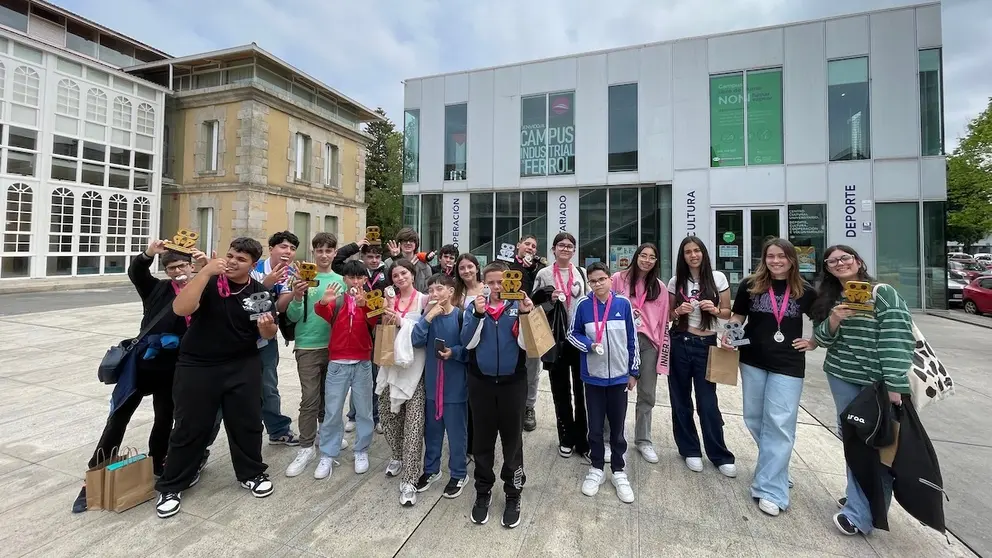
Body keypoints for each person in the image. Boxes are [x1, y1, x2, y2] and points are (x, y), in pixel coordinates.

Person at [72, 241, 203, 513]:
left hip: (175, 367)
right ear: (165, 271)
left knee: (165, 417)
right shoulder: (157, 289)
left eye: (182, 266)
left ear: (191, 267)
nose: (178, 271)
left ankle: (158, 462)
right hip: (142, 363)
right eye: (171, 267)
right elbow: (137, 273)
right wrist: (148, 254)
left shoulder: (200, 291)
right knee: (119, 416)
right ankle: (94, 475)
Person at [155, 238, 277, 519]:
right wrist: (206, 272)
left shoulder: (258, 292)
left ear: (252, 265)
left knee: (246, 422)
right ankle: (172, 484)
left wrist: (268, 327)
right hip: (198, 365)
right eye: (230, 255)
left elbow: (267, 334)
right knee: (190, 425)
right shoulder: (208, 282)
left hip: (242, 364)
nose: (233, 262)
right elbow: (181, 309)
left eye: (241, 259)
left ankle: (251, 473)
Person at [810, 245, 915, 536]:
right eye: (833, 261)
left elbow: (897, 336)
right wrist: (833, 320)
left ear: (857, 261)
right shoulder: (831, 297)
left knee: (876, 443)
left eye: (845, 258)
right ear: (828, 269)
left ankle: (861, 514)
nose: (840, 263)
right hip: (841, 375)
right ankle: (860, 498)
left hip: (876, 382)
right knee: (852, 438)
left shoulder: (882, 293)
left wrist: (895, 382)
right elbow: (821, 338)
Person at [725, 238, 817, 517]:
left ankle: (770, 490)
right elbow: (738, 316)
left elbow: (823, 322)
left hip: (788, 365)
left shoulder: (806, 291)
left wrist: (812, 342)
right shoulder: (750, 286)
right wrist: (729, 333)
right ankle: (776, 468)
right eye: (771, 256)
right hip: (752, 360)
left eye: (782, 256)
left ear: (792, 259)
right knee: (754, 418)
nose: (776, 261)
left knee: (779, 424)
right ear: (764, 259)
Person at [461, 261, 533, 529]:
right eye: (490, 282)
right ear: (483, 284)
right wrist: (478, 315)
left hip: (513, 383)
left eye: (501, 281)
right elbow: (467, 343)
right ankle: (483, 489)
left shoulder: (519, 307)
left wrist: (526, 314)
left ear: (511, 280)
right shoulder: (475, 308)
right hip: (481, 383)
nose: (496, 287)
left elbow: (529, 346)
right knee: (483, 439)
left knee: (513, 441)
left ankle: (513, 493)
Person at [568, 262, 639, 503]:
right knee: (595, 427)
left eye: (601, 279)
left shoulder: (623, 304)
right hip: (594, 377)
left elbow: (632, 339)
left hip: (619, 376)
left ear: (610, 279)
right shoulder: (583, 305)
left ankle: (618, 470)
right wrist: (589, 345)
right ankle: (596, 467)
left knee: (618, 428)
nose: (597, 284)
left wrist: (634, 371)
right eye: (593, 280)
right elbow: (572, 334)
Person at [667, 236, 736, 477]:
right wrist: (678, 311)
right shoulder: (676, 281)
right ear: (682, 256)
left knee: (708, 402)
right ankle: (690, 450)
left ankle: (719, 454)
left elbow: (728, 313)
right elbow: (668, 315)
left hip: (707, 344)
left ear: (703, 253)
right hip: (680, 342)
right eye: (688, 252)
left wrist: (715, 310)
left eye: (697, 251)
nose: (693, 255)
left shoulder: (718, 278)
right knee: (680, 399)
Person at [281, 232, 348, 477]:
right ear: (313, 252)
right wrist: (297, 296)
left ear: (334, 253)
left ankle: (328, 435)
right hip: (307, 346)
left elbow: (344, 317)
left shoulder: (341, 280)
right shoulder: (301, 279)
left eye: (328, 250)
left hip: (334, 347)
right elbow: (292, 316)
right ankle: (306, 446)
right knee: (309, 398)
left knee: (330, 397)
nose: (323, 255)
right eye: (319, 250)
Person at [310, 260, 379, 479]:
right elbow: (321, 310)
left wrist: (364, 304)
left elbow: (378, 319)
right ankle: (328, 454)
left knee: (364, 411)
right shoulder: (337, 300)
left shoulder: (371, 299)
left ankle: (361, 450)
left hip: (362, 363)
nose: (355, 281)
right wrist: (322, 301)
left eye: (359, 277)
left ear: (365, 280)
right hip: (338, 363)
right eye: (351, 277)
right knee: (332, 411)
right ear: (344, 279)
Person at [611, 243, 670, 465]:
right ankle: (611, 437)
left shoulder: (660, 288)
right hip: (620, 341)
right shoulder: (619, 278)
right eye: (643, 255)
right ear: (636, 257)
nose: (646, 260)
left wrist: (662, 353)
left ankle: (643, 439)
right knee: (615, 389)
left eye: (652, 257)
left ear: (656, 262)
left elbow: (664, 321)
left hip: (648, 343)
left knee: (647, 393)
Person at [411, 273, 470, 498]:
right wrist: (427, 317)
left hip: (455, 387)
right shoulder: (429, 316)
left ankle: (458, 473)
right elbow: (416, 341)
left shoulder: (461, 316)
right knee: (433, 433)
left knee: (456, 434)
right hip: (432, 385)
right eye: (431, 290)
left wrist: (453, 352)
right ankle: (431, 469)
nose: (434, 294)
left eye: (439, 289)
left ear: (451, 292)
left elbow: (469, 350)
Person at [532, 232, 590, 458]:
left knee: (581, 391)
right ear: (554, 249)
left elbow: (587, 302)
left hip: (578, 338)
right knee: (560, 391)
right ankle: (565, 437)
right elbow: (534, 304)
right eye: (561, 246)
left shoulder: (582, 274)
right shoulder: (544, 274)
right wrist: (550, 299)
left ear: (574, 250)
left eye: (569, 246)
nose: (565, 249)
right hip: (555, 339)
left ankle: (583, 440)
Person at [377, 259, 430, 506]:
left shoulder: (424, 300)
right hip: (390, 368)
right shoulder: (388, 302)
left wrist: (401, 321)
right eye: (395, 275)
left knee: (414, 425)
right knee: (387, 416)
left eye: (404, 273)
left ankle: (410, 479)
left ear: (412, 273)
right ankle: (397, 455)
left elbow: (425, 330)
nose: (400, 278)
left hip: (415, 370)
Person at [249, 230, 300, 446]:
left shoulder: (289, 273)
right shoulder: (254, 269)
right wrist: (266, 284)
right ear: (271, 249)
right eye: (283, 246)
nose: (288, 252)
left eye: (292, 248)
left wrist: (295, 290)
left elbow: (278, 307)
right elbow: (245, 299)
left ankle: (278, 430)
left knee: (268, 385)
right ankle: (201, 447)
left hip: (266, 337)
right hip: (239, 337)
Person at [344, 241, 388, 433]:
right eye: (370, 256)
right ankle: (353, 415)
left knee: (377, 376)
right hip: (360, 331)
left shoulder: (385, 274)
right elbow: (338, 259)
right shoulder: (358, 274)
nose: (374, 260)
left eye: (377, 257)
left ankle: (376, 416)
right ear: (363, 257)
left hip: (380, 330)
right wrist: (355, 245)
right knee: (358, 376)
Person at [507, 234, 545, 432]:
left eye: (534, 246)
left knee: (532, 367)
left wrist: (532, 270)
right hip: (508, 320)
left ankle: (529, 407)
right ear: (518, 245)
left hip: (532, 320)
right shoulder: (505, 264)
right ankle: (511, 406)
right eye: (527, 244)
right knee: (510, 365)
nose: (530, 248)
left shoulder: (540, 269)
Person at [453, 253, 484, 459]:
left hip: (485, 349)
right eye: (462, 268)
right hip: (464, 350)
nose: (466, 271)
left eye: (469, 267)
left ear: (476, 267)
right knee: (465, 400)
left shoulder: (487, 288)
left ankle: (479, 443)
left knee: (480, 402)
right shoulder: (456, 294)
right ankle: (467, 443)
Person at [384, 227, 434, 292]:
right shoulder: (389, 263)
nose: (408, 243)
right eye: (405, 240)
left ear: (416, 244)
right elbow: (387, 288)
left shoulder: (425, 266)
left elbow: (429, 291)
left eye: (411, 241)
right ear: (399, 243)